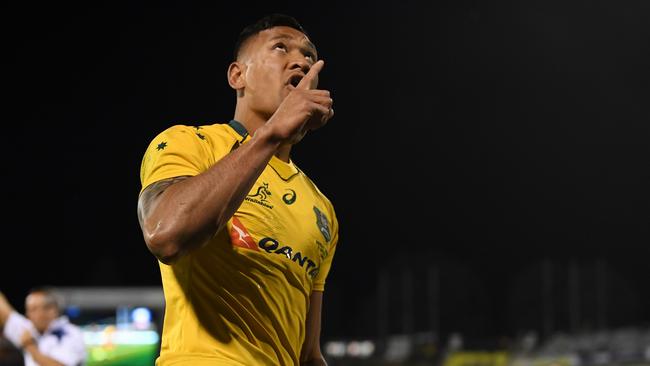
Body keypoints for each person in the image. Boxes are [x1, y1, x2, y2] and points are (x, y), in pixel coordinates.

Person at [137, 13, 338, 366]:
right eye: (281, 48)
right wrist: (272, 133)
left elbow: (308, 354)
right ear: (237, 75)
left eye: (309, 56)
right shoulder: (190, 143)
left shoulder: (321, 209)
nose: (301, 61)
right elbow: (165, 234)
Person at [0, 289, 86, 366]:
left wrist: (30, 347)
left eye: (45, 308)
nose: (39, 314)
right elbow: (4, 311)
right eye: (33, 309)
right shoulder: (29, 329)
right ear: (28, 313)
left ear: (55, 310)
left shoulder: (70, 333)